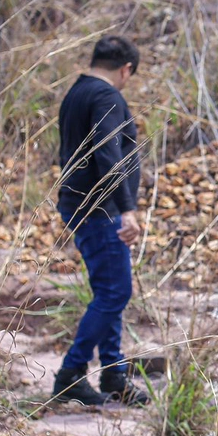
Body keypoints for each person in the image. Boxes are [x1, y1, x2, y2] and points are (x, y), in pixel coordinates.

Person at [52, 35, 149, 407]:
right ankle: (71, 374)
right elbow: (108, 154)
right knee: (115, 292)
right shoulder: (107, 96)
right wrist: (126, 208)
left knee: (109, 290)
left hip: (83, 204)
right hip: (100, 209)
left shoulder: (77, 92)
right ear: (126, 69)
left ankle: (114, 374)